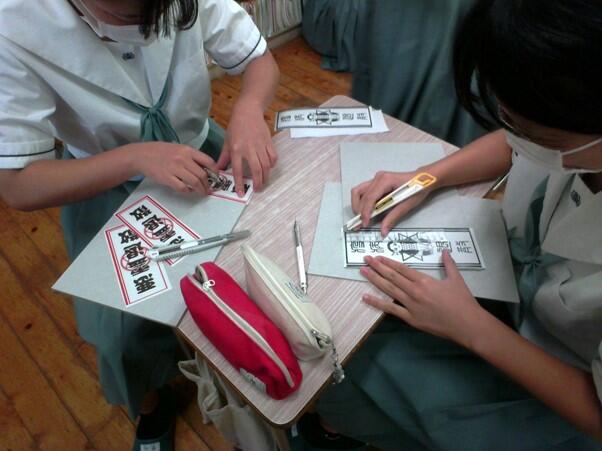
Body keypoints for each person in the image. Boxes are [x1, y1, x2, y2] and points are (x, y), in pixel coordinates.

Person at [303, 1, 602, 449]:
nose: (517, 138)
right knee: (360, 333)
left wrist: (473, 329)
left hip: (565, 394)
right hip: (513, 303)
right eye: (508, 120)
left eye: (538, 135)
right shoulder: (565, 125)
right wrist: (425, 178)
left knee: (349, 370)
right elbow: (517, 140)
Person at [0, 0, 279, 449]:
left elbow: (259, 60)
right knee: (119, 336)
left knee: (252, 270)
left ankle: (252, 374)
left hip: (202, 154)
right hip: (103, 179)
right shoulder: (14, 23)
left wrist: (249, 108)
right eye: (125, 17)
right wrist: (135, 157)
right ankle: (152, 404)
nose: (146, 33)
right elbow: (17, 185)